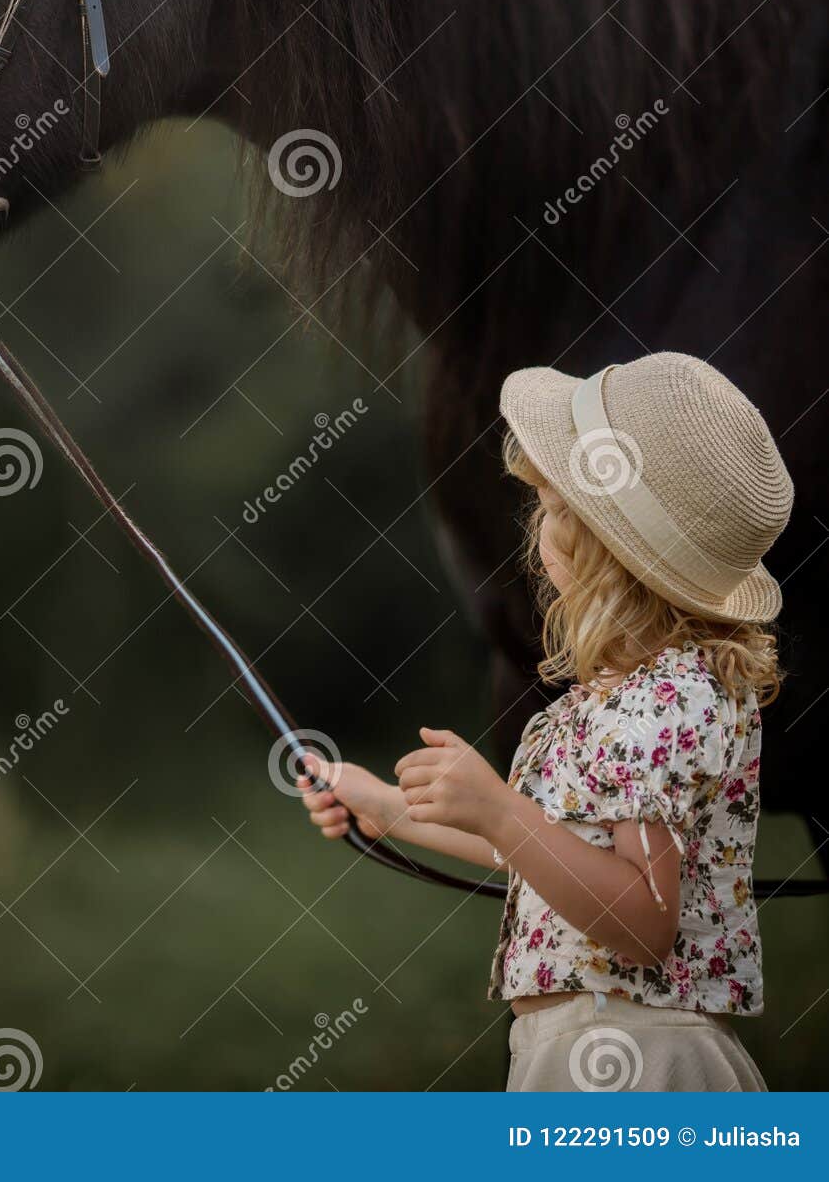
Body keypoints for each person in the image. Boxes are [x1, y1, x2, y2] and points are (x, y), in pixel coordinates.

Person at [298, 353, 793, 1091]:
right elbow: (556, 857)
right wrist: (386, 807)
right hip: (588, 1047)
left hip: (630, 1062)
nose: (537, 527)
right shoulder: (623, 695)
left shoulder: (666, 703)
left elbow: (646, 923)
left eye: (556, 508)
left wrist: (500, 810)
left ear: (610, 551)